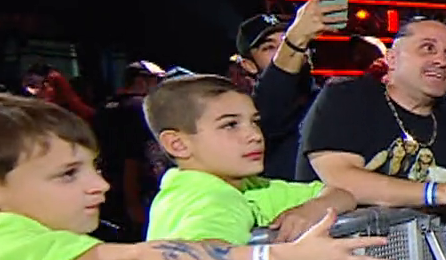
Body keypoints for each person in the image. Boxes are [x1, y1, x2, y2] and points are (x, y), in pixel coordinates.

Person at [0, 93, 388, 260]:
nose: (101, 185)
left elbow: (341, 191)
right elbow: (141, 259)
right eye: (67, 174)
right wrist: (284, 259)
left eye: (93, 168)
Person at [296, 17, 446, 208]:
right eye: (428, 48)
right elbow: (341, 179)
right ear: (392, 58)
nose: (442, 61)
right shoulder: (348, 97)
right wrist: (439, 193)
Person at [143, 75, 359, 245]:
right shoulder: (206, 199)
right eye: (230, 125)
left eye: (254, 122)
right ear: (177, 144)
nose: (255, 135)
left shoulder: (251, 188)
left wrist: (312, 209)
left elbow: (342, 195)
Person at [240, 0, 340, 181]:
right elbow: (274, 90)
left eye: (284, 41)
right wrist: (295, 39)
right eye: (269, 47)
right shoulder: (248, 110)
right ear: (249, 65)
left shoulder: (333, 98)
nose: (281, 51)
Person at [93, 61, 165, 241]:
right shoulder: (140, 107)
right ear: (141, 81)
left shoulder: (104, 107)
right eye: (155, 80)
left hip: (108, 187)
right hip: (137, 190)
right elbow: (133, 156)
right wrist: (134, 204)